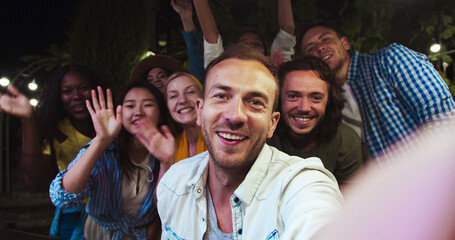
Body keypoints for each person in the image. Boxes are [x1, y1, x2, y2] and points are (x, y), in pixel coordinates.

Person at [157, 44, 343, 239]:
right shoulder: (172, 184)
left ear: (272, 124)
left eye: (255, 102)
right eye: (221, 96)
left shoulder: (301, 184)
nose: (235, 115)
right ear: (200, 111)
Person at [299, 19, 455, 160]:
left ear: (345, 43)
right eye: (310, 49)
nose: (320, 48)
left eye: (326, 39)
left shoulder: (389, 59)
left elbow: (442, 117)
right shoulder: (323, 103)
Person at [49, 82, 176, 239]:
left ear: (161, 114)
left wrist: (166, 162)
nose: (138, 112)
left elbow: (167, 208)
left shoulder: (168, 150)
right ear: (119, 113)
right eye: (130, 106)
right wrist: (101, 140)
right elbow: (62, 198)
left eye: (148, 105)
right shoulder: (105, 150)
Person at [0, 65, 104, 239]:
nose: (76, 96)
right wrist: (28, 119)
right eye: (67, 91)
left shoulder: (113, 123)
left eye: (83, 88)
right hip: (73, 215)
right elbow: (34, 180)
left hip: (115, 214)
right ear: (58, 97)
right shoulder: (55, 131)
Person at [268, 56, 362, 185]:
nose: (304, 108)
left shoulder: (346, 141)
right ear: (278, 99)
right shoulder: (263, 138)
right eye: (293, 96)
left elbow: (348, 200)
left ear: (329, 101)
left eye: (316, 98)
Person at [192, 0, 296, 67]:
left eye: (256, 44)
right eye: (244, 44)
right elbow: (211, 37)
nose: (251, 46)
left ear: (265, 54)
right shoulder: (221, 68)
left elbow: (288, 28)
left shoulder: (278, 66)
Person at [164, 72, 206, 162]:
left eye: (190, 92)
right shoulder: (171, 147)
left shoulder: (220, 137)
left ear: (204, 97)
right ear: (167, 107)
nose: (182, 100)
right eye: (173, 96)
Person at [170, 0, 206, 82]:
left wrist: (185, 17)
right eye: (150, 79)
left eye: (162, 76)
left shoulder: (195, 82)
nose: (156, 81)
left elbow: (195, 55)